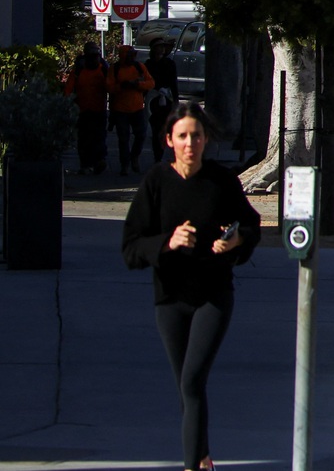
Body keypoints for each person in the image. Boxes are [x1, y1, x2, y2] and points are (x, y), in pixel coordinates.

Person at [124, 101, 260, 471]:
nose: (190, 143)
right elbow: (131, 248)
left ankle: (191, 465)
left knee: (193, 378)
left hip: (213, 295)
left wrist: (237, 241)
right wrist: (167, 243)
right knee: (187, 386)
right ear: (169, 140)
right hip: (170, 297)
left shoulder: (222, 180)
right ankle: (201, 456)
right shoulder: (156, 181)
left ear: (206, 140)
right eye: (182, 136)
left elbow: (251, 225)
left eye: (196, 136)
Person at [109, 43, 155, 173]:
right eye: (130, 56)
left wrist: (138, 84)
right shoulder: (115, 69)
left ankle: (134, 157)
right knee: (123, 138)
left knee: (141, 135)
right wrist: (122, 86)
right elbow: (109, 87)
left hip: (137, 108)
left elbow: (151, 83)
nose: (132, 58)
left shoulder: (139, 67)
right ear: (123, 56)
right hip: (120, 109)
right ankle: (125, 164)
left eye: (133, 55)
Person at [65, 43, 110, 175]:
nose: (94, 59)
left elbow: (111, 86)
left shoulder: (103, 69)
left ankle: (98, 161)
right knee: (84, 138)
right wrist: (68, 104)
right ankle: (86, 164)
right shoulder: (78, 70)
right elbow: (68, 89)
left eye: (96, 56)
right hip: (82, 110)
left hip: (99, 109)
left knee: (99, 136)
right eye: (91, 56)